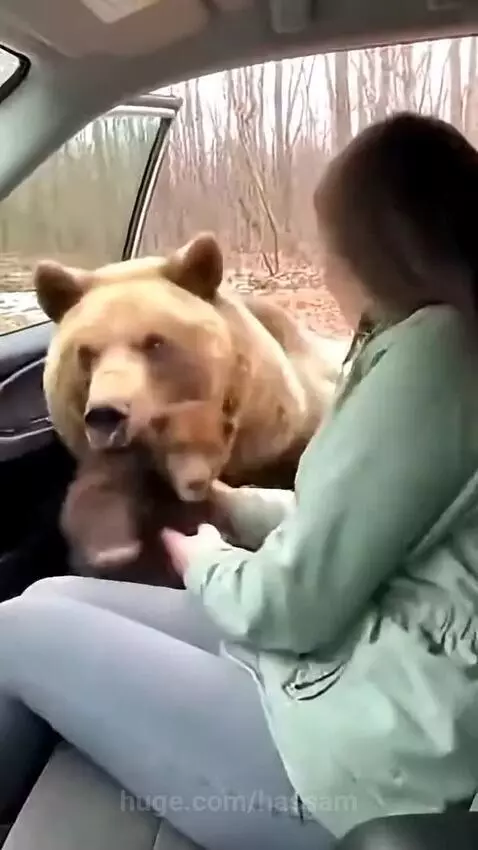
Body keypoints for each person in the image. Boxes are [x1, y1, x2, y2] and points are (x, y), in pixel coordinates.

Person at [2, 111, 478, 849]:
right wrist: (231, 506)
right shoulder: (441, 343)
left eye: (332, 250)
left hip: (381, 767)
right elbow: (354, 527)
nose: (326, 271)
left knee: (14, 628)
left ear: (379, 248)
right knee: (47, 595)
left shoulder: (437, 354)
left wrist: (205, 561)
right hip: (378, 668)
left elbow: (292, 606)